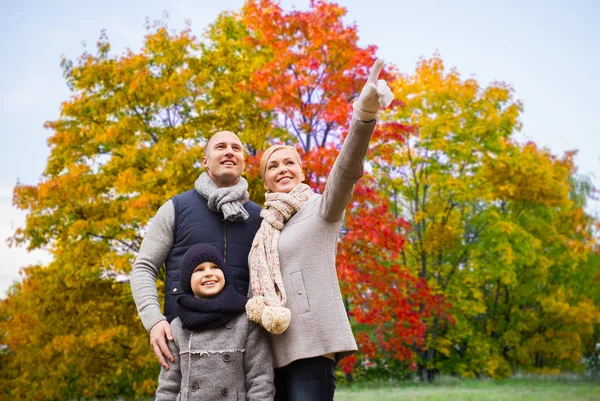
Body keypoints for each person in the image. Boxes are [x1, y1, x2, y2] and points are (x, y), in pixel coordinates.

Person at [245, 59, 394, 401]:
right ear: (264, 179)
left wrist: (364, 115)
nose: (282, 169)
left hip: (312, 348)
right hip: (269, 353)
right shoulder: (264, 226)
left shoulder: (321, 208)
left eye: (289, 162)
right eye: (273, 165)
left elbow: (346, 170)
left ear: (301, 170)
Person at [130, 131, 262, 369]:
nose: (229, 151)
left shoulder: (260, 217)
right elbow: (143, 267)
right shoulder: (175, 209)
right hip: (184, 341)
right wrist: (154, 321)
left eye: (236, 148)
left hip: (245, 346)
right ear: (205, 160)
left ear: (243, 160)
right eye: (220, 147)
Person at [155, 243, 275, 400]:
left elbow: (260, 379)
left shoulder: (245, 321)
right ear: (187, 281)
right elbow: (167, 386)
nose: (208, 273)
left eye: (214, 267)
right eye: (199, 270)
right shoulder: (177, 327)